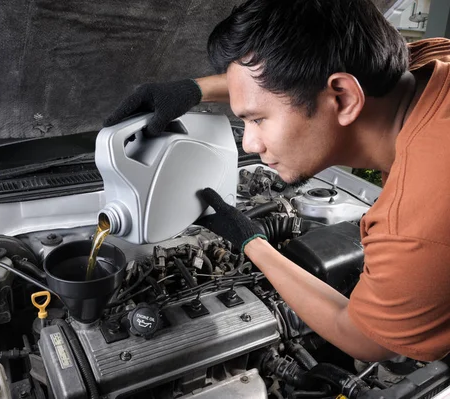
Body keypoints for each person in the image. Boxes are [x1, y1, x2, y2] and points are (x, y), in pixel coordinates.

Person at [104, 0, 450, 362]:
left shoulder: (416, 221)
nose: (250, 145)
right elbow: (304, 79)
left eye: (257, 120)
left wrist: (252, 242)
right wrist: (194, 89)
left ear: (344, 97)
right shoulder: (433, 61)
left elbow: (366, 339)